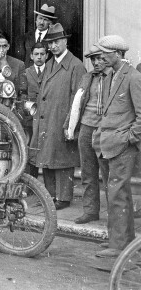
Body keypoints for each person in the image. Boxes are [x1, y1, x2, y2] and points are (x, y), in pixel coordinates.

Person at [92, 35, 141, 258]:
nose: (101, 56)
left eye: (105, 52)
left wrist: (129, 138)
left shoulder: (133, 77)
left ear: (118, 54)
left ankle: (119, 245)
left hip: (121, 145)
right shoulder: (112, 75)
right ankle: (121, 240)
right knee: (118, 193)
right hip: (108, 143)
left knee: (117, 194)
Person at [29, 23, 86, 210]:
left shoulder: (75, 66)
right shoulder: (50, 63)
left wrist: (70, 124)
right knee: (47, 158)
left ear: (65, 41)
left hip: (61, 120)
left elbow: (79, 99)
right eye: (50, 43)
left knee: (62, 159)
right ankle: (50, 196)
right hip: (47, 118)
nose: (53, 46)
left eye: (56, 42)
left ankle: (63, 197)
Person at [64, 44, 110, 224]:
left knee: (108, 173)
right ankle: (90, 211)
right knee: (88, 172)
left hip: (105, 130)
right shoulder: (87, 77)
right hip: (86, 128)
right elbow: (77, 102)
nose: (97, 62)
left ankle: (113, 215)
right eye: (93, 59)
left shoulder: (114, 77)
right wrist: (70, 126)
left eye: (100, 58)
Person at [24, 42, 47, 178]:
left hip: (46, 117)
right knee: (30, 150)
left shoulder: (51, 72)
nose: (39, 57)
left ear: (46, 55)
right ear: (31, 56)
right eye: (36, 54)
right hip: (30, 118)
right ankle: (30, 183)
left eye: (42, 54)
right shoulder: (26, 72)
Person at [0, 31, 27, 98]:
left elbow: (22, 90)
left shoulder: (19, 64)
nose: (1, 50)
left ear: (8, 47)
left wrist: (4, 64)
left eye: (4, 46)